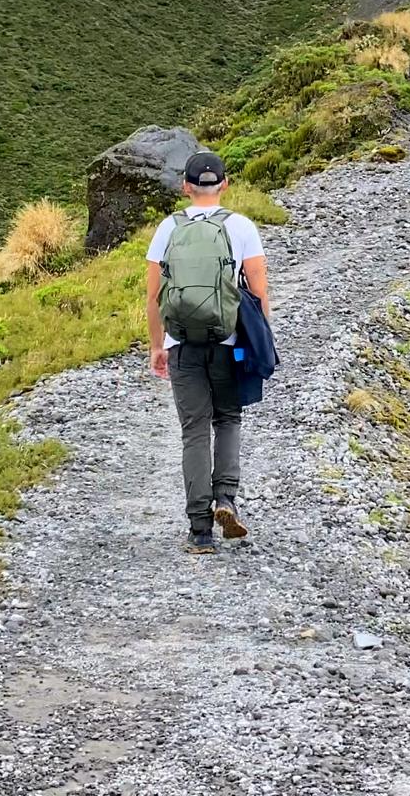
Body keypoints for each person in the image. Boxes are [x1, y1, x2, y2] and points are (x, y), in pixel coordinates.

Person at [146, 151, 270, 554]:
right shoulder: (242, 227)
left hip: (181, 344)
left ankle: (200, 530)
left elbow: (153, 296)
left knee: (194, 430)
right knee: (228, 418)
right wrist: (258, 340)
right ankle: (226, 499)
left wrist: (156, 345)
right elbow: (259, 290)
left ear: (185, 186)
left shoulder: (168, 228)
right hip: (227, 343)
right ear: (225, 184)